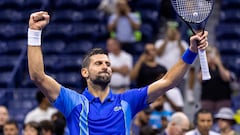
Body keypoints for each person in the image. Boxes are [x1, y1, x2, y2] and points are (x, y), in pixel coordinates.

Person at [27, 11, 208, 134]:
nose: (105, 66)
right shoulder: (73, 102)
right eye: (98, 63)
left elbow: (168, 81)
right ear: (85, 72)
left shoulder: (127, 101)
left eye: (107, 63)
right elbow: (38, 76)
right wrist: (34, 33)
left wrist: (191, 51)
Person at [131, 43, 184, 112]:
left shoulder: (161, 68)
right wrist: (140, 60)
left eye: (152, 50)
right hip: (143, 96)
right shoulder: (141, 66)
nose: (150, 53)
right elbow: (132, 77)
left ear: (155, 51)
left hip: (158, 95)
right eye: (147, 51)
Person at [155, 22, 189, 97]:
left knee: (179, 99)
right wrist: (166, 39)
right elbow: (158, 53)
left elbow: (186, 56)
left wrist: (179, 41)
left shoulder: (183, 43)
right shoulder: (159, 42)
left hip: (179, 76)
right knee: (160, 97)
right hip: (163, 75)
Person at [198, 46, 232, 113]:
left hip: (223, 99)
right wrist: (206, 64)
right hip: (207, 99)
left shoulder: (224, 65)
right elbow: (200, 80)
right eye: (209, 55)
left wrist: (219, 64)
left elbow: (226, 78)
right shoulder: (204, 68)